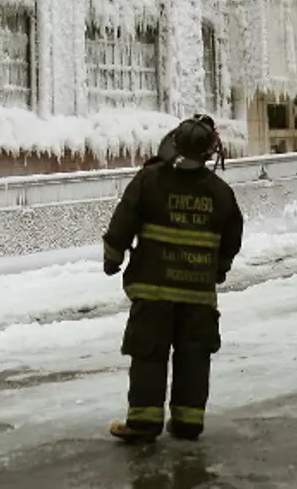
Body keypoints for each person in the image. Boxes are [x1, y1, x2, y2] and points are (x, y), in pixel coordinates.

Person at [103, 114, 244, 444]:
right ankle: (188, 422)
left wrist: (113, 257)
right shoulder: (220, 192)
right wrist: (218, 270)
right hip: (198, 296)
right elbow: (231, 239)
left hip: (153, 292)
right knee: (194, 357)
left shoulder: (149, 180)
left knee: (149, 354)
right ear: (209, 152)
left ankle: (144, 423)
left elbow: (123, 220)